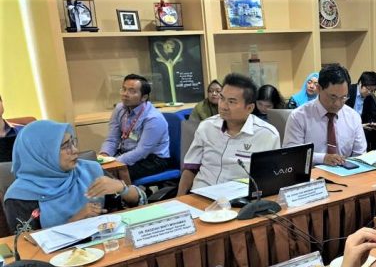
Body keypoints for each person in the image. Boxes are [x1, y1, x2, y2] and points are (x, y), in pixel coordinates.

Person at [4, 120, 146, 232]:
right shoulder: (20, 196)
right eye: (65, 146)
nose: (75, 150)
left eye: (73, 142)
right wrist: (74, 222)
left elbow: (138, 203)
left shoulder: (89, 171)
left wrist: (123, 188)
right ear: (42, 154)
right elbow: (25, 248)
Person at [177, 73, 280, 195]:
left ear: (249, 108)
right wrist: (179, 199)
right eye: (222, 98)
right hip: (201, 195)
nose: (223, 106)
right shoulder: (206, 127)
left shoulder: (267, 135)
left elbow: (271, 180)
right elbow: (190, 168)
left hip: (239, 199)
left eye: (231, 102)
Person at [283, 63, 366, 165]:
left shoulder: (353, 117)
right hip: (311, 172)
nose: (337, 104)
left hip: (345, 172)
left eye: (343, 97)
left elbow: (360, 155)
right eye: (333, 97)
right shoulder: (299, 116)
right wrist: (322, 158)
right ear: (318, 88)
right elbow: (291, 154)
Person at [99, 74, 171, 181]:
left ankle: (128, 192)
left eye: (132, 91)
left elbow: (142, 151)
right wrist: (104, 156)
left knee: (112, 176)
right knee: (95, 170)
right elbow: (112, 139)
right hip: (127, 152)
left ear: (144, 97)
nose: (125, 94)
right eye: (124, 89)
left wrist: (114, 163)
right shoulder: (120, 108)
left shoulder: (153, 118)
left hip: (152, 159)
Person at [345, 71, 376, 151]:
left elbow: (375, 115)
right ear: (360, 83)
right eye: (368, 89)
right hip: (347, 126)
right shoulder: (348, 92)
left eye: (372, 91)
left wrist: (373, 123)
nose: (369, 92)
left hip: (363, 126)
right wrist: (360, 126)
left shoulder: (370, 97)